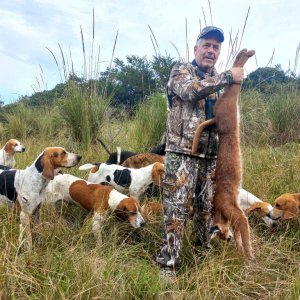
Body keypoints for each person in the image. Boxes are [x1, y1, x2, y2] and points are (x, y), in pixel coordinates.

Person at [156, 26, 244, 278]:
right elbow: (190, 90)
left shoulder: (219, 80)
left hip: (210, 158)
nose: (211, 50)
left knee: (206, 211)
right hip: (181, 155)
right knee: (177, 211)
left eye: (216, 47)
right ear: (195, 48)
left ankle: (201, 254)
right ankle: (168, 265)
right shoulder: (181, 71)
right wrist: (229, 75)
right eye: (206, 45)